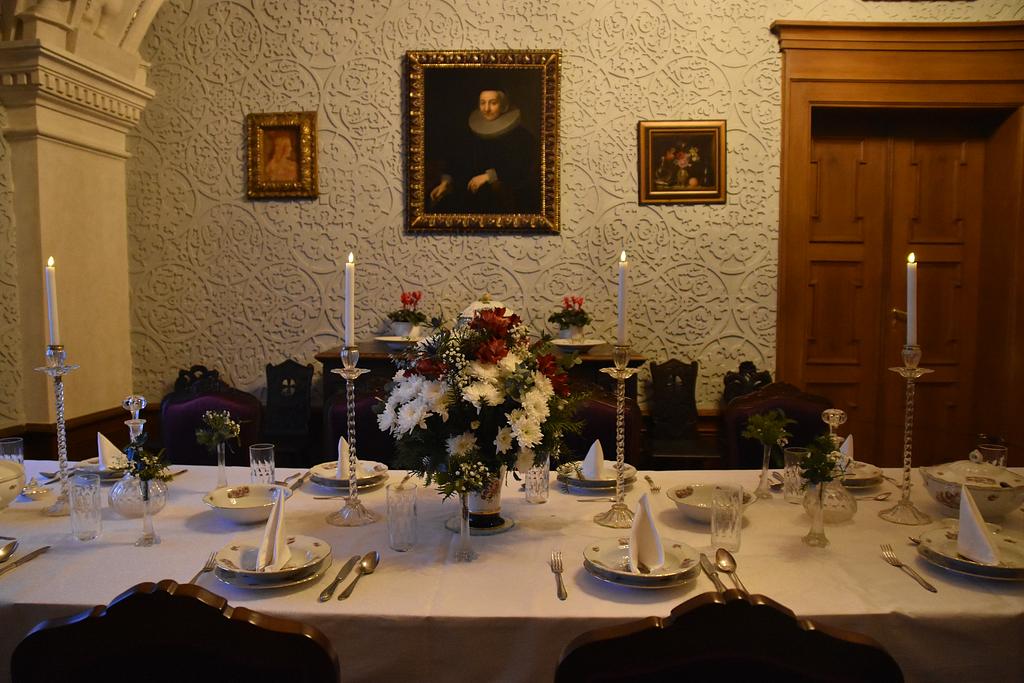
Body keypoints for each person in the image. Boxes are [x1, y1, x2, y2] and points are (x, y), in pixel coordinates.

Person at [429, 89, 539, 214]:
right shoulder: (469, 132)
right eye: (482, 103)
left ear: (503, 106)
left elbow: (521, 167)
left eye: (493, 103)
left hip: (498, 195)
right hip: (467, 190)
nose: (486, 109)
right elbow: (457, 160)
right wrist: (446, 182)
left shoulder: (521, 136)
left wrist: (489, 176)